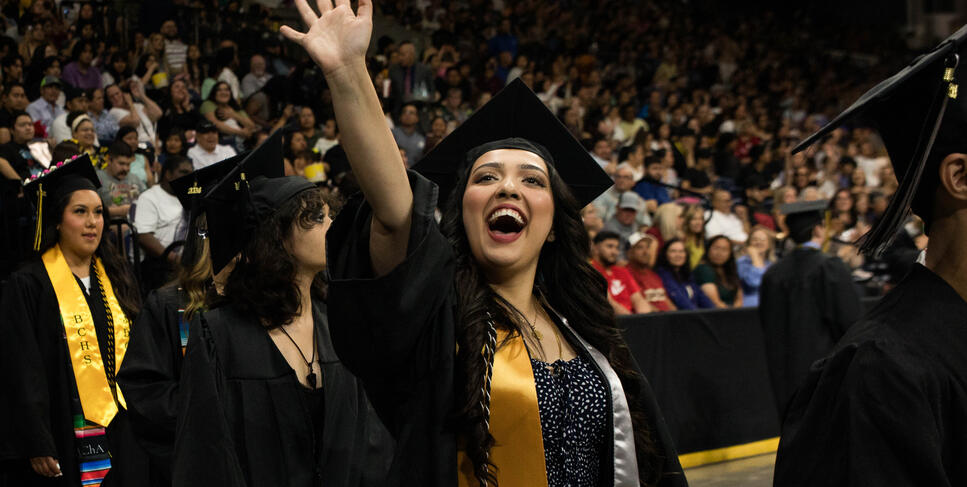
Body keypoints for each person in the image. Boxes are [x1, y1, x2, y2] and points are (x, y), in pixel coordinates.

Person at [281, 3, 685, 485]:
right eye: (487, 176)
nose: (508, 188)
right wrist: (349, 75)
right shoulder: (436, 317)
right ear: (461, 209)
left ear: (555, 225)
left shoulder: (586, 328)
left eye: (532, 180)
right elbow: (394, 211)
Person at [172, 161, 393, 486]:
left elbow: (371, 442)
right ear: (277, 236)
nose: (331, 225)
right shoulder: (219, 334)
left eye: (329, 215)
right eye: (317, 218)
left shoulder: (339, 322)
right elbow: (206, 454)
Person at [117, 138, 282, 483]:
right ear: (204, 236)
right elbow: (145, 390)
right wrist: (214, 413)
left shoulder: (269, 301)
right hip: (196, 458)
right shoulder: (169, 305)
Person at [0, 155, 152, 485]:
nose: (92, 222)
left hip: (124, 429)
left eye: (98, 212)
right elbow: (23, 370)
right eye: (79, 212)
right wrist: (37, 440)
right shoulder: (29, 284)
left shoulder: (116, 276)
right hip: (63, 431)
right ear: (57, 220)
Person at [759, 200, 862, 418]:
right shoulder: (829, 267)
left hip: (783, 369)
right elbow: (850, 324)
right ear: (818, 228)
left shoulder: (773, 274)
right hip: (825, 368)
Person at [133, 155, 193, 291]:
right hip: (162, 265)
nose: (189, 176)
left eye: (191, 173)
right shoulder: (149, 197)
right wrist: (175, 259)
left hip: (191, 261)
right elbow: (143, 237)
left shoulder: (192, 197)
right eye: (184, 172)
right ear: (168, 174)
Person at [592, 230, 651, 314]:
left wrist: (645, 319)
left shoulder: (622, 271)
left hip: (631, 320)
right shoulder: (591, 270)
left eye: (617, 248)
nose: (614, 252)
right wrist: (632, 321)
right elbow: (609, 303)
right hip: (610, 321)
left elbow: (638, 299)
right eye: (609, 246)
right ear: (595, 248)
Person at [655, 238, 715, 310]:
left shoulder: (687, 275)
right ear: (665, 254)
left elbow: (702, 297)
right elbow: (680, 300)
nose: (678, 255)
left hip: (695, 316)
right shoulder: (663, 274)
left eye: (681, 251)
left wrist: (714, 313)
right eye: (673, 251)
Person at [625, 232, 675, 312]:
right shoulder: (625, 274)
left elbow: (666, 300)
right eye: (640, 248)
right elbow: (638, 303)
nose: (646, 252)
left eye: (648, 247)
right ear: (629, 253)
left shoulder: (654, 275)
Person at [96, 141, 146, 219]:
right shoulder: (98, 178)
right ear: (109, 160)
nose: (126, 168)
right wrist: (118, 211)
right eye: (121, 164)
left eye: (128, 164)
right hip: (110, 225)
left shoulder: (134, 178)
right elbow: (92, 210)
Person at [692, 235, 743, 308]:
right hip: (714, 315)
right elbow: (715, 302)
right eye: (716, 248)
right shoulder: (704, 270)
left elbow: (739, 299)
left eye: (725, 249)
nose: (719, 253)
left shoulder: (730, 270)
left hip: (733, 313)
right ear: (708, 249)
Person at [736, 227, 775, 307]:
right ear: (749, 243)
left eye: (763, 239)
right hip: (751, 306)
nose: (759, 242)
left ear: (769, 245)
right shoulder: (742, 262)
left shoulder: (772, 264)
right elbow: (754, 282)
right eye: (755, 239)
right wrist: (755, 257)